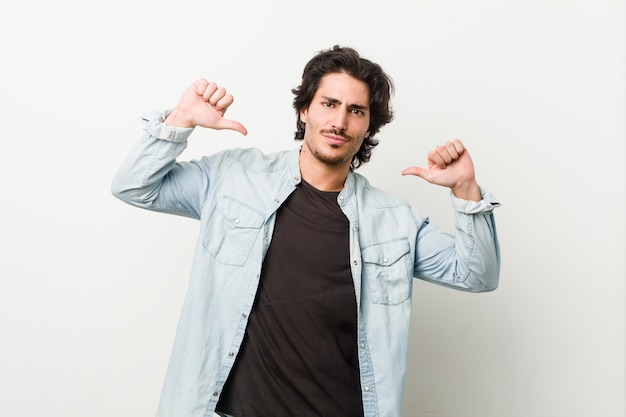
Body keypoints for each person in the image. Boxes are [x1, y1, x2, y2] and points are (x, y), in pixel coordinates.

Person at [111, 45, 501, 417]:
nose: (339, 122)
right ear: (304, 110)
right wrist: (180, 120)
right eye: (329, 104)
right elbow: (134, 186)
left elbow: (476, 274)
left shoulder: (394, 221)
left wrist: (466, 191)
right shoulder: (233, 178)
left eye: (356, 111)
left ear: (369, 126)